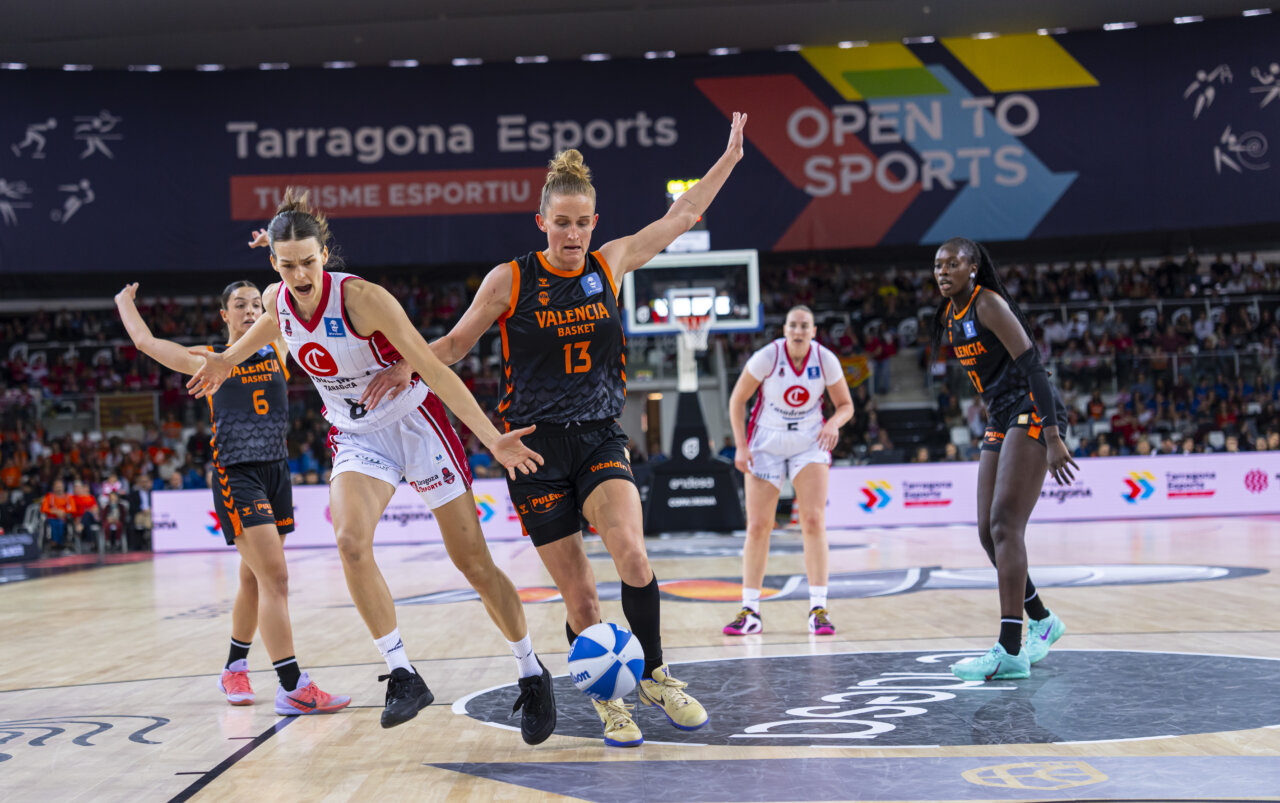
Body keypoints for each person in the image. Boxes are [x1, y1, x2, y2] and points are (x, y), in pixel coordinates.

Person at [187, 191, 556, 743]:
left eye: (308, 262)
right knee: (350, 542)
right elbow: (272, 323)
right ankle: (403, 673)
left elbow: (433, 366)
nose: (299, 275)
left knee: (473, 563)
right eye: (287, 265)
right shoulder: (275, 297)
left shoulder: (361, 298)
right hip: (357, 435)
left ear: (325, 254)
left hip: (415, 423)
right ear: (274, 265)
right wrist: (227, 359)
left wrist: (492, 439)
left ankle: (531, 670)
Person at [432, 111, 748, 747]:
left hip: (600, 434)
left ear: (594, 224)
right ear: (542, 222)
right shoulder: (510, 279)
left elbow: (681, 215)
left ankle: (656, 674)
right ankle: (611, 703)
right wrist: (392, 364)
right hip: (534, 449)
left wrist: (730, 159)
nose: (573, 233)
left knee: (632, 552)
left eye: (583, 222)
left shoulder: (611, 264)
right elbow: (455, 346)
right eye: (562, 222)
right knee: (580, 601)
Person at [116, 280, 351, 716]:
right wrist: (123, 303)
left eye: (255, 305)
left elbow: (291, 294)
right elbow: (145, 342)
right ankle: (291, 685)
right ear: (224, 315)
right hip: (237, 474)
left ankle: (234, 667)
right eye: (238, 306)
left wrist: (271, 253)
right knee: (275, 580)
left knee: (253, 579)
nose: (248, 311)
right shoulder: (207, 359)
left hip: (277, 472)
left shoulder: (277, 347)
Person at [931, 236, 1078, 681]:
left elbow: (1034, 366)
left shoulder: (987, 304)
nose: (943, 272)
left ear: (972, 269)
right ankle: (1044, 620)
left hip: (1033, 408)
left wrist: (1052, 436)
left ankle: (1010, 648)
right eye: (938, 266)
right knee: (986, 532)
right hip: (1002, 413)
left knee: (1005, 525)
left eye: (952, 264)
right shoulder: (951, 315)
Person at [722, 306, 853, 637]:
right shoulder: (768, 356)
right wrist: (740, 445)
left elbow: (846, 405)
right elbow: (737, 401)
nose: (798, 331)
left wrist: (834, 423)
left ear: (813, 330)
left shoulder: (825, 360)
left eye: (804, 326)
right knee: (758, 526)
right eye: (792, 325)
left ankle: (818, 609)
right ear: (784, 329)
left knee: (812, 521)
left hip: (809, 440)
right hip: (765, 441)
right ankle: (750, 610)